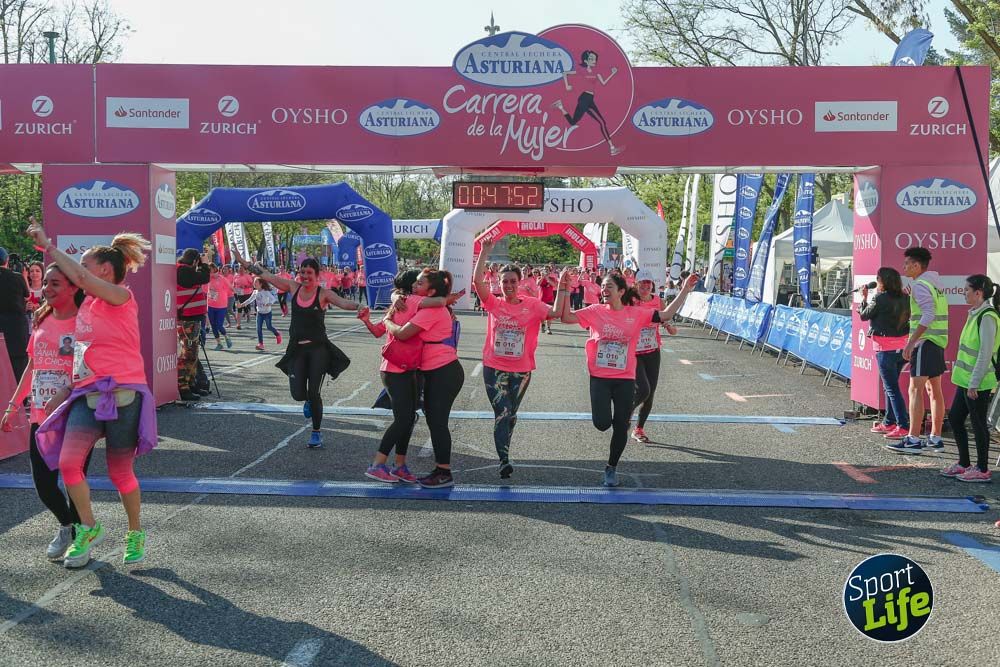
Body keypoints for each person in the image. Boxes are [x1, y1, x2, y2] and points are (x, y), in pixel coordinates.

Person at [27, 217, 156, 568]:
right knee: (68, 464)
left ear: (105, 270)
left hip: (123, 392)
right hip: (86, 392)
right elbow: (66, 298)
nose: (79, 271)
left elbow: (79, 279)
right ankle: (87, 527)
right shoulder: (86, 304)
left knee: (119, 472)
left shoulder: (121, 297)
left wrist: (48, 246)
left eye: (84, 264)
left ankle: (135, 533)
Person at [557, 270, 698, 486]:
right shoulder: (595, 311)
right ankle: (616, 424)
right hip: (600, 378)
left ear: (621, 291)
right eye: (603, 286)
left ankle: (611, 468)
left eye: (609, 286)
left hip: (625, 378)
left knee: (621, 425)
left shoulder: (636, 313)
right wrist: (564, 289)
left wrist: (685, 289)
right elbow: (566, 317)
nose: (604, 290)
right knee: (602, 423)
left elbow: (666, 314)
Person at [2, 263, 90, 561]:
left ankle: (81, 540)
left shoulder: (85, 322)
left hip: (77, 414)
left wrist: (65, 392)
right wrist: (15, 405)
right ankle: (66, 525)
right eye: (46, 283)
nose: (47, 289)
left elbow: (90, 370)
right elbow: (32, 365)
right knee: (43, 483)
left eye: (55, 284)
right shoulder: (42, 316)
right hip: (41, 414)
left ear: (73, 288)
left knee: (74, 479)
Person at [234, 253, 359, 448]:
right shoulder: (293, 287)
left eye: (309, 273)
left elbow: (344, 303)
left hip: (318, 350)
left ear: (317, 274)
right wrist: (244, 263)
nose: (305, 276)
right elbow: (267, 276)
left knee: (314, 392)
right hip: (297, 350)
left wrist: (360, 307)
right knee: (298, 394)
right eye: (302, 272)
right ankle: (307, 400)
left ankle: (316, 432)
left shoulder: (323, 293)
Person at [358, 270, 457, 483]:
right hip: (398, 368)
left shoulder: (402, 302)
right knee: (404, 419)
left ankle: (400, 465)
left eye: (419, 283)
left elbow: (378, 332)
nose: (415, 286)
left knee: (408, 418)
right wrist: (388, 319)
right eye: (415, 282)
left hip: (407, 367)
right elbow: (438, 301)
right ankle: (377, 464)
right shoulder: (412, 301)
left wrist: (382, 319)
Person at [473, 240, 559, 478]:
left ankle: (504, 449)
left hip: (521, 370)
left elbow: (555, 313)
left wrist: (562, 287)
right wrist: (485, 252)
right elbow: (477, 282)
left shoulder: (532, 305)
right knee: (502, 412)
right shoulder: (493, 303)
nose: (509, 285)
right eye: (505, 281)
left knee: (510, 414)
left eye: (513, 281)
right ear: (499, 284)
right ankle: (504, 460)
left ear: (519, 283)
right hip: (494, 367)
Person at [381, 269, 465, 488]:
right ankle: (440, 470)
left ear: (432, 290)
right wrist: (395, 298)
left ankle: (444, 472)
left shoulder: (431, 310)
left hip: (444, 371)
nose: (414, 287)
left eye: (419, 284)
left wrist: (387, 320)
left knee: (437, 423)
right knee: (435, 422)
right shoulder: (429, 305)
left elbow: (402, 334)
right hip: (436, 371)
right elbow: (405, 299)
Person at [888, 248, 948, 454]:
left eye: (907, 264)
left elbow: (928, 314)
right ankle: (935, 438)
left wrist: (911, 342)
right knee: (934, 390)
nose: (903, 267)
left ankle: (913, 439)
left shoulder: (921, 285)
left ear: (916, 266)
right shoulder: (935, 284)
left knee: (915, 389)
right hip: (937, 342)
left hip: (925, 343)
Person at [940, 275, 999, 482]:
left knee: (978, 424)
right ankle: (964, 463)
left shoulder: (987, 317)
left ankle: (982, 469)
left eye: (966, 290)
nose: (964, 293)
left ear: (978, 293)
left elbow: (985, 352)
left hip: (977, 382)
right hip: (966, 380)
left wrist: (974, 382)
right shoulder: (975, 313)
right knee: (956, 418)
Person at [859, 268, 910, 439]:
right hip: (901, 348)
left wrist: (863, 298)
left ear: (883, 281)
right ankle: (889, 421)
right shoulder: (904, 296)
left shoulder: (880, 298)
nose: (876, 281)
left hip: (885, 348)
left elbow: (865, 315)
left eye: (877, 278)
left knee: (891, 388)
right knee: (891, 387)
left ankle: (902, 425)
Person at [630, 269, 679, 444]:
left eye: (648, 283)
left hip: (652, 350)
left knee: (650, 394)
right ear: (636, 284)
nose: (645, 286)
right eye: (641, 283)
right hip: (633, 352)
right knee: (643, 389)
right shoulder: (629, 301)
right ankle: (626, 413)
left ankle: (639, 429)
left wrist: (669, 326)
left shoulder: (658, 300)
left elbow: (664, 319)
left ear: (652, 285)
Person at [552, 49, 622, 156]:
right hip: (584, 99)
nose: (593, 60)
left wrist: (612, 73)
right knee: (602, 122)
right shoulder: (581, 70)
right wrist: (567, 86)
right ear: (586, 60)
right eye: (591, 59)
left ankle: (561, 106)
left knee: (573, 122)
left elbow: (603, 83)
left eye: (594, 59)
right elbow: (565, 73)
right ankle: (612, 148)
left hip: (590, 99)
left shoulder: (596, 72)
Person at [176, 249, 211, 401]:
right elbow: (204, 277)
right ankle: (182, 387)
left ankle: (191, 384)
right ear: (195, 261)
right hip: (188, 318)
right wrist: (205, 265)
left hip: (193, 318)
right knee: (188, 354)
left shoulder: (184, 270)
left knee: (193, 354)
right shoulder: (183, 271)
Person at [0, 246, 30, 380]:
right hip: (16, 331)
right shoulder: (17, 278)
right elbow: (27, 295)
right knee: (18, 369)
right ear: (6, 260)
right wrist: (24, 277)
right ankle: (20, 400)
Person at [239, 277, 282, 351]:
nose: (254, 284)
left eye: (256, 282)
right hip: (259, 313)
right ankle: (261, 344)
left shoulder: (266, 292)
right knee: (258, 329)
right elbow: (250, 300)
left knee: (269, 327)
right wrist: (242, 304)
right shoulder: (255, 292)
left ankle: (277, 334)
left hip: (267, 313)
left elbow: (273, 299)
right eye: (254, 282)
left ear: (261, 284)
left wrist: (269, 303)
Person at [206, 264, 234, 351]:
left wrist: (229, 295)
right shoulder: (208, 278)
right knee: (213, 325)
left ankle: (226, 336)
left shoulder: (222, 279)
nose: (210, 271)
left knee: (219, 325)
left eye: (211, 269)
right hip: (210, 305)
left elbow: (231, 288)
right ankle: (219, 343)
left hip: (221, 306)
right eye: (209, 270)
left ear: (215, 269)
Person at [233, 265, 254, 329]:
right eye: (240, 269)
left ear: (245, 270)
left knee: (245, 306)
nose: (241, 270)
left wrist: (245, 286)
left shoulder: (247, 276)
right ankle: (238, 324)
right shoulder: (236, 276)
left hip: (246, 293)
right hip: (239, 294)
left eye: (242, 269)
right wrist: (234, 289)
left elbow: (252, 284)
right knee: (239, 308)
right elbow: (233, 284)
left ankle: (248, 314)